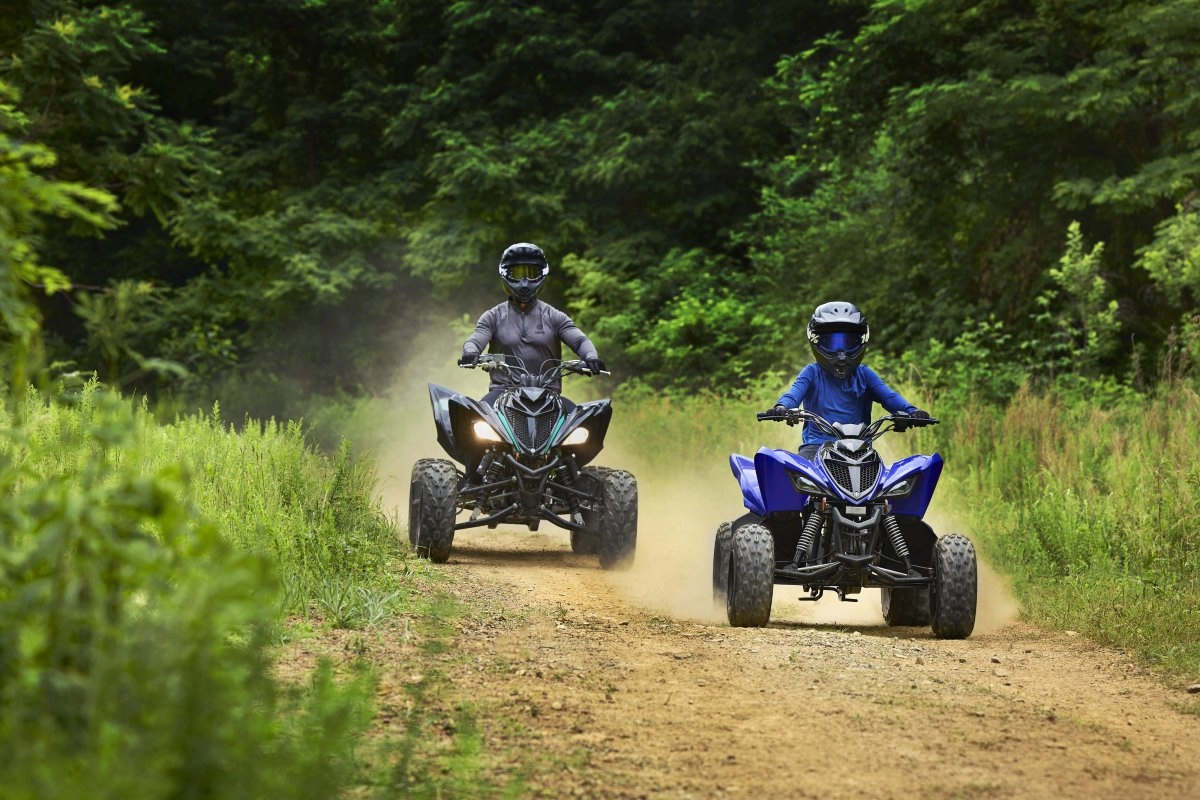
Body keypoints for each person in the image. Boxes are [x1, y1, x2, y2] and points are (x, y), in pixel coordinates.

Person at [770, 301, 929, 456]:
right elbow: (793, 394)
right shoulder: (811, 373)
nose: (841, 353)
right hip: (816, 449)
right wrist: (782, 407)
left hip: (861, 450)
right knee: (790, 469)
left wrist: (912, 411)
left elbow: (889, 397)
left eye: (849, 343)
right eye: (831, 343)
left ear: (862, 341)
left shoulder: (865, 375)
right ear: (815, 340)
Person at [458, 242, 606, 406]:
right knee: (476, 414)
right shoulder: (493, 317)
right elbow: (475, 341)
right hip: (502, 393)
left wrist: (591, 358)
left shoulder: (555, 316)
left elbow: (580, 341)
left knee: (582, 417)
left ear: (542, 275)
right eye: (517, 273)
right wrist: (471, 353)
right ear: (506, 275)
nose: (525, 281)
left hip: (549, 396)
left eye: (531, 273)